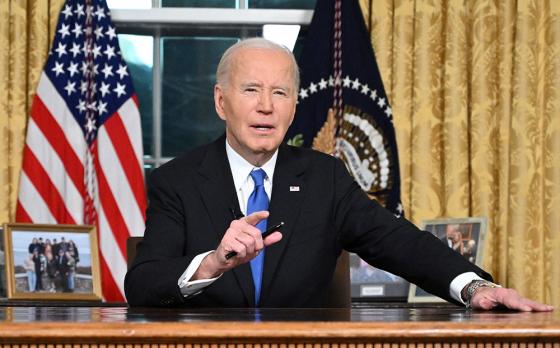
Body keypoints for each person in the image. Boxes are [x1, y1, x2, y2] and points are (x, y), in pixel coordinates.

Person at [125, 38, 553, 312]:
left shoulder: (324, 177)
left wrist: (474, 286)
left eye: (280, 93)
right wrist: (214, 263)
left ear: (294, 107)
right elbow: (143, 284)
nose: (266, 106)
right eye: (251, 90)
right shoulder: (176, 181)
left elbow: (398, 241)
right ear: (221, 102)